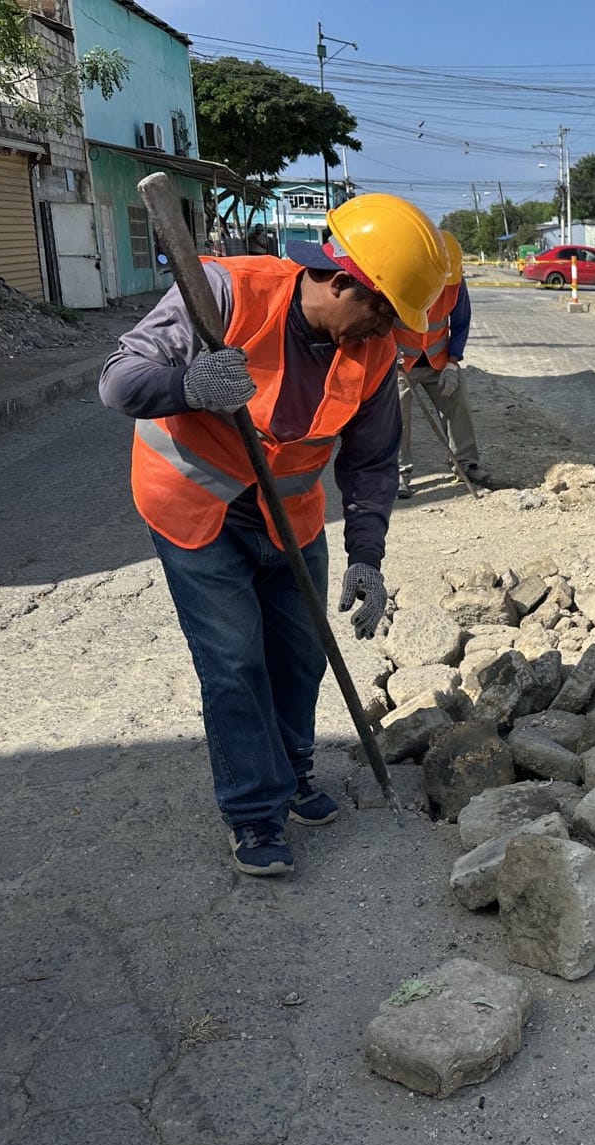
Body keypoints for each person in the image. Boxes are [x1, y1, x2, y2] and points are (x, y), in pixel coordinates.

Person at [101, 193, 450, 876]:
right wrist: (189, 384)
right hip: (194, 507)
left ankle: (291, 772)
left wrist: (367, 555)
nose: (386, 329)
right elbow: (118, 381)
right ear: (343, 281)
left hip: (288, 516)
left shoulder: (372, 352)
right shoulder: (225, 292)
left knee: (301, 652)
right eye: (383, 310)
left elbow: (372, 462)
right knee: (234, 662)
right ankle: (253, 811)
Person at [394, 232, 488, 495]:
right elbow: (379, 316)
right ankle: (397, 473)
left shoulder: (455, 283)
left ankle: (466, 464)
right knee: (395, 416)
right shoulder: (399, 277)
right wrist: (387, 349)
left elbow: (460, 322)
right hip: (401, 361)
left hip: (439, 359)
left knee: (458, 405)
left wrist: (452, 363)